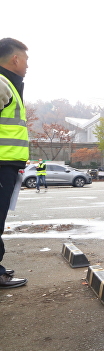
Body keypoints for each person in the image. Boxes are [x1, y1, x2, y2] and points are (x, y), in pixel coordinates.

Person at [0, 38, 30, 289]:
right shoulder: (2, 84)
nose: (28, 65)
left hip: (6, 164)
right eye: (26, 59)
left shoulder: (8, 84)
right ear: (15, 59)